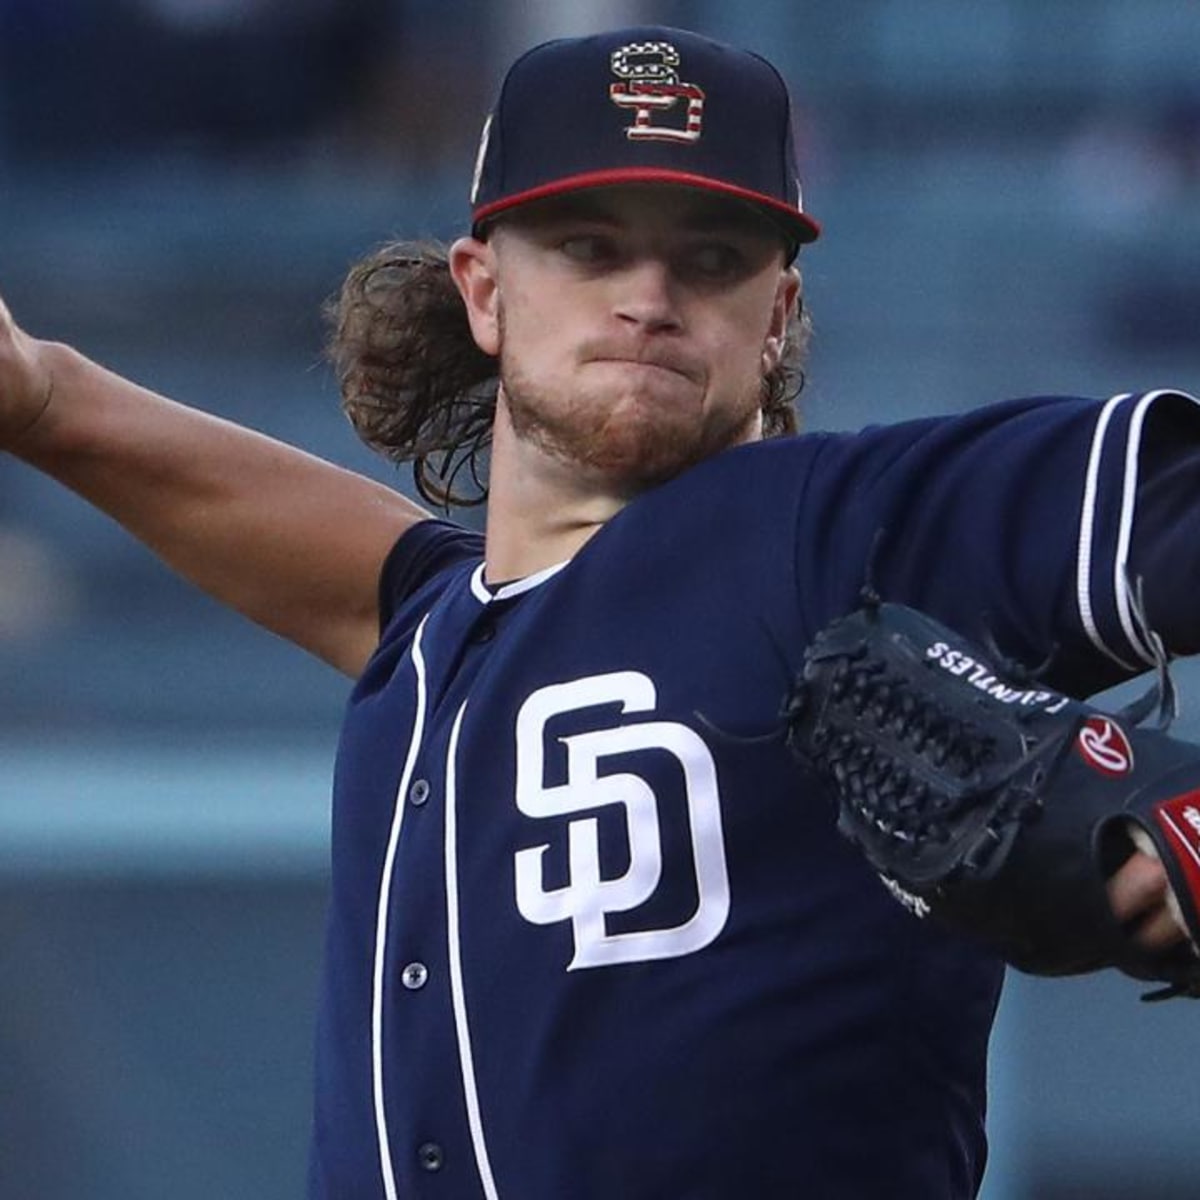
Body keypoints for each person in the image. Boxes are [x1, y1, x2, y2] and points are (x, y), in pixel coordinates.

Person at [0, 24, 1194, 1200]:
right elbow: (352, 559)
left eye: (714, 258)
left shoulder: (828, 529)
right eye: (587, 246)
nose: (650, 298)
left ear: (776, 316)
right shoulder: (440, 633)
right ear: (483, 291)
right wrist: (46, 401)